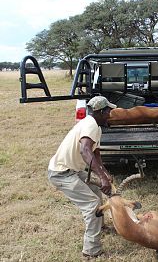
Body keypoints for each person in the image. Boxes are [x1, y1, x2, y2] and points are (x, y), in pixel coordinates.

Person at [48, 96, 116, 259]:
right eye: (108, 111)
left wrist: (104, 175)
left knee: (96, 189)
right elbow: (85, 151)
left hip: (72, 170)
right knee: (92, 204)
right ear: (100, 111)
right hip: (61, 173)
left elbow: (95, 153)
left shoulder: (96, 126)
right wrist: (102, 177)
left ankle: (99, 227)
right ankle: (91, 250)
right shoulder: (90, 124)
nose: (110, 114)